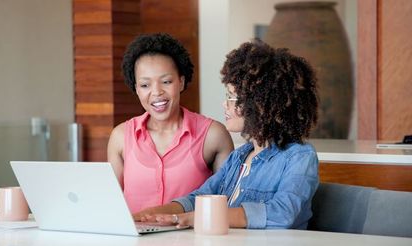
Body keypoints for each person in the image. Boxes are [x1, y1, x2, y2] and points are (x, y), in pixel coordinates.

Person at [134, 39, 320, 229]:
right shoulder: (239, 156)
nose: (225, 104)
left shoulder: (299, 156)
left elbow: (282, 214)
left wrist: (195, 218)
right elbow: (199, 198)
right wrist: (146, 216)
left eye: (232, 97)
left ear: (261, 104)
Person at [107, 33, 234, 213]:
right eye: (145, 85)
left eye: (166, 81)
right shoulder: (120, 137)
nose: (156, 92)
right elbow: (111, 204)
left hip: (194, 240)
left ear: (181, 82)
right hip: (136, 241)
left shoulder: (213, 135)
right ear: (136, 88)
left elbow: (227, 203)